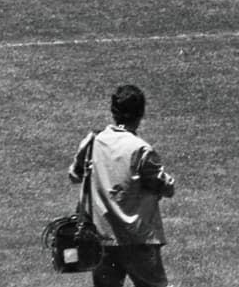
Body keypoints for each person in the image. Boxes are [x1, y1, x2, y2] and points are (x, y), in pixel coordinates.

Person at [68, 84, 176, 287]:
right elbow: (164, 187)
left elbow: (74, 174)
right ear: (140, 114)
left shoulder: (94, 142)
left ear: (113, 112)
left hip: (102, 239)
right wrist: (168, 182)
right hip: (138, 240)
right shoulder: (142, 150)